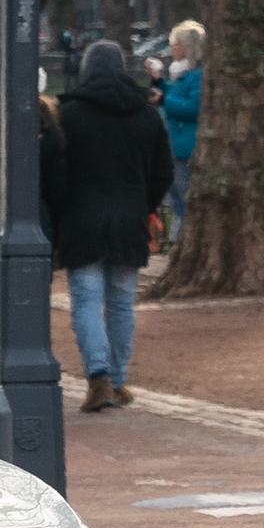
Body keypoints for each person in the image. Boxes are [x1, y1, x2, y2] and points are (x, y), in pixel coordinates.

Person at [48, 39, 174, 413]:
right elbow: (163, 171)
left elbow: (55, 168)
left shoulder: (68, 113)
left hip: (81, 218)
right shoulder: (146, 115)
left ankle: (98, 375)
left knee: (86, 300)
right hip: (130, 219)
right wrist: (144, 204)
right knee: (121, 304)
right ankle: (118, 380)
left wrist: (61, 206)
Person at [154, 20, 204, 235]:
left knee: (183, 198)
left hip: (184, 147)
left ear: (186, 48)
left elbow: (194, 108)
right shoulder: (181, 75)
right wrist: (158, 83)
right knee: (175, 197)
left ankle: (181, 237)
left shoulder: (196, 76)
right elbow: (174, 97)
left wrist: (164, 99)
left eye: (175, 44)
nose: (172, 49)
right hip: (173, 145)